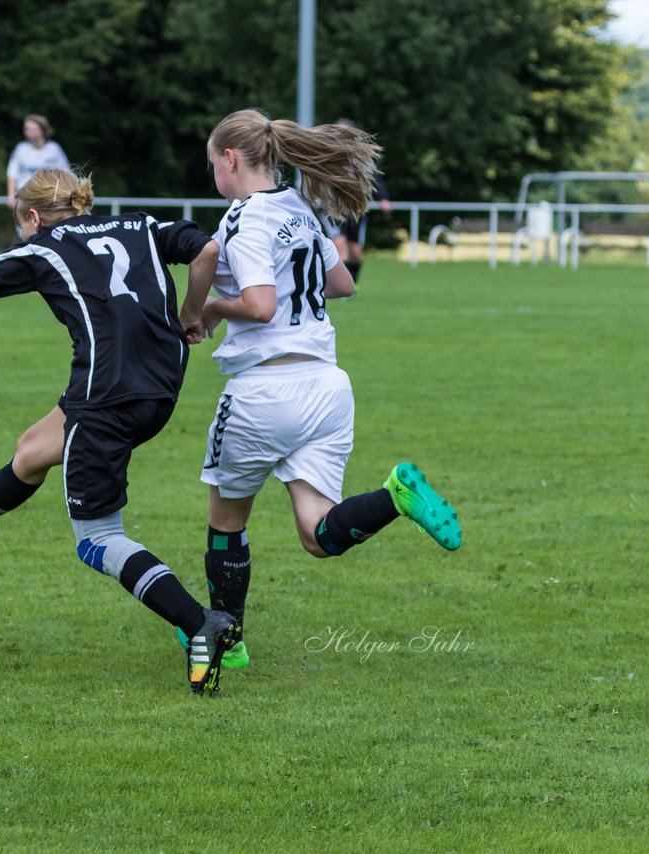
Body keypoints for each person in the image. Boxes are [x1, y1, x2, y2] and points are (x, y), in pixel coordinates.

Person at [0, 168, 238, 695]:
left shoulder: (42, 248)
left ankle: (200, 623)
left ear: (33, 216)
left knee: (98, 539)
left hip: (106, 400)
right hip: (159, 389)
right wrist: (191, 312)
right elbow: (209, 251)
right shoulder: (140, 224)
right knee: (33, 449)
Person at [187, 108, 462, 668]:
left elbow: (259, 307)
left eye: (213, 164)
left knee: (226, 522)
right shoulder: (299, 208)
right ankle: (395, 497)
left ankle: (227, 640)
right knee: (318, 534)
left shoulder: (242, 218)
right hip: (327, 388)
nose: (214, 174)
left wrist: (211, 306)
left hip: (264, 391)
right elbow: (341, 283)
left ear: (231, 160)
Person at [327, 119, 392, 283]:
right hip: (335, 210)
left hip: (356, 210)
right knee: (340, 247)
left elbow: (375, 179)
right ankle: (343, 287)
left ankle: (353, 284)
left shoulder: (360, 158)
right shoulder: (328, 155)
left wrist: (383, 198)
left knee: (355, 253)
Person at [5, 114, 71, 209]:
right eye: (27, 129)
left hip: (49, 198)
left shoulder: (54, 149)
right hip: (25, 198)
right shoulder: (21, 148)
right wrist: (10, 196)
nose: (29, 132)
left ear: (42, 130)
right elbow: (12, 173)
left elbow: (66, 173)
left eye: (33, 129)